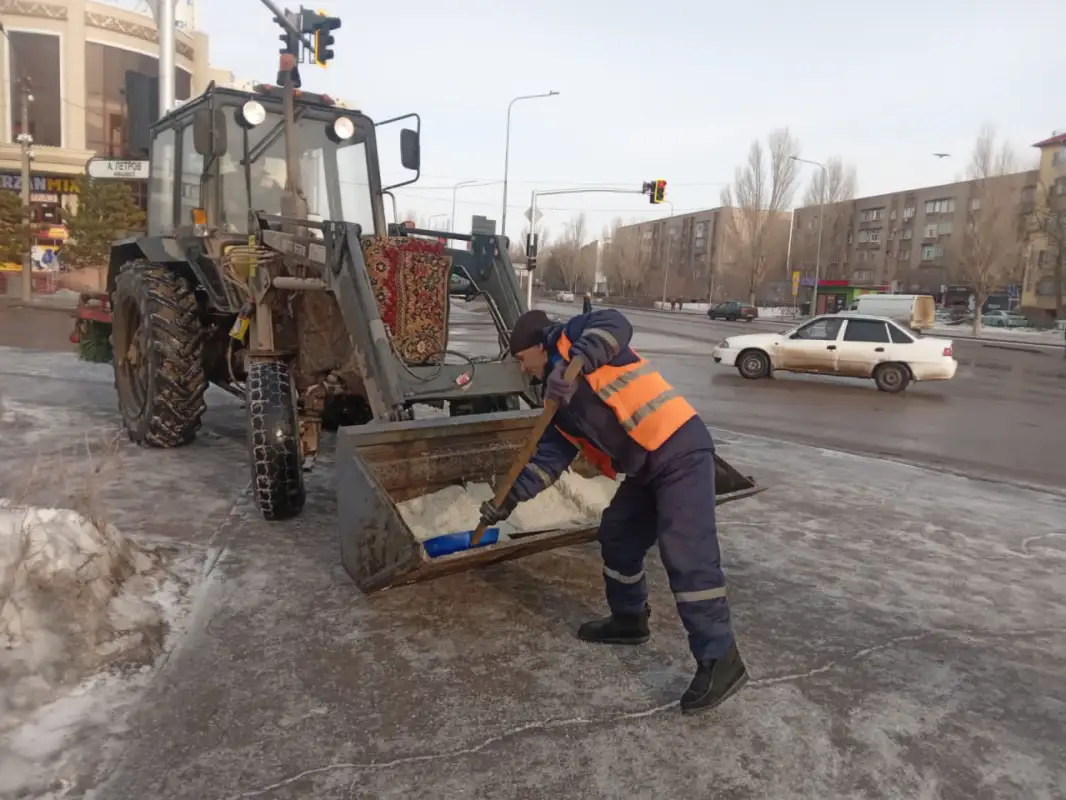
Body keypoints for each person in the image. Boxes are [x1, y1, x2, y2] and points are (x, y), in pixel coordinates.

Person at [480, 308, 747, 714]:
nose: (521, 367)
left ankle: (720, 657)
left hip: (680, 449)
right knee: (618, 536)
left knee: (687, 553)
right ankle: (629, 620)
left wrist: (578, 361)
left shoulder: (574, 336)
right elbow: (546, 461)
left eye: (521, 358)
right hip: (646, 466)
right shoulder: (557, 404)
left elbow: (616, 323)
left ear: (538, 346)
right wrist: (509, 499)